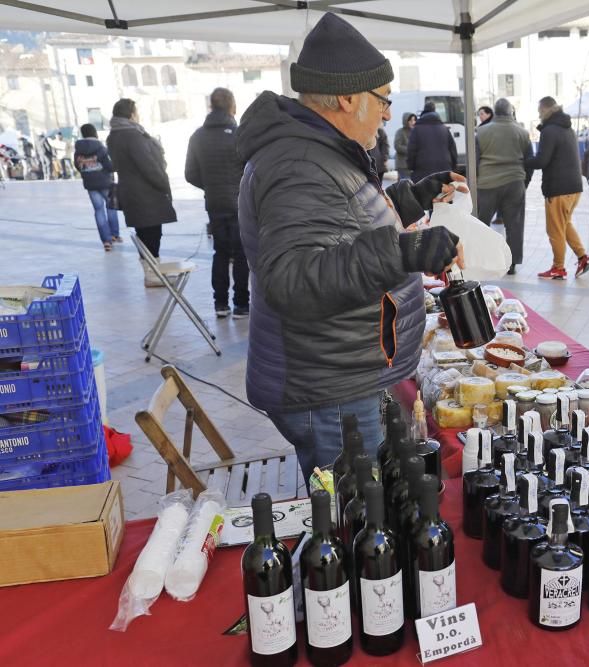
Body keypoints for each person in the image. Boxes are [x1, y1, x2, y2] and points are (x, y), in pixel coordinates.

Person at [236, 13, 465, 481]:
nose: (386, 112)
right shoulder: (299, 163)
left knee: (371, 509)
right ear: (346, 98)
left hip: (341, 375)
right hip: (329, 389)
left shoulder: (319, 151)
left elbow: (346, 223)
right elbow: (294, 277)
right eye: (382, 100)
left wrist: (414, 196)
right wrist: (406, 251)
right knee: (356, 523)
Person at [185, 87, 249, 319]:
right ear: (232, 106)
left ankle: (220, 304)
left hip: (214, 203)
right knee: (242, 253)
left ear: (211, 106)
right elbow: (252, 170)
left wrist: (211, 187)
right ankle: (242, 304)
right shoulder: (241, 134)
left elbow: (190, 173)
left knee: (220, 253)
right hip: (240, 203)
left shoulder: (197, 136)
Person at [107, 97, 178, 288]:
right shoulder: (132, 135)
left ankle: (151, 273)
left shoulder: (114, 135)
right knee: (152, 233)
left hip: (131, 192)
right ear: (131, 114)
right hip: (145, 193)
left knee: (144, 233)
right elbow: (148, 166)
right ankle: (153, 275)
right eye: (136, 111)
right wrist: (163, 183)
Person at [525, 96, 589, 280]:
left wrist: (523, 161)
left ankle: (559, 268)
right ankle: (583, 257)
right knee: (564, 224)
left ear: (545, 110)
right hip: (574, 187)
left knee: (555, 230)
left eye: (539, 111)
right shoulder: (567, 128)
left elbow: (541, 160)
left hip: (558, 188)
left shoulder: (550, 130)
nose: (539, 115)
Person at [475, 97, 533, 275]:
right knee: (514, 225)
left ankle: (482, 260)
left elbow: (475, 161)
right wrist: (524, 183)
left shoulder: (481, 132)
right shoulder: (522, 133)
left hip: (487, 184)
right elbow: (529, 162)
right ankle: (512, 263)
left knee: (481, 224)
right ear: (511, 112)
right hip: (515, 182)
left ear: (495, 111)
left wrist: (478, 181)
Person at [73, 123, 121, 251]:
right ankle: (115, 235)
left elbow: (78, 166)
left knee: (98, 210)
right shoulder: (101, 147)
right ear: (94, 132)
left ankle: (106, 241)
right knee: (111, 207)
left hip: (90, 184)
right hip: (106, 182)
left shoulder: (78, 150)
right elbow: (109, 166)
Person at [407, 101, 458, 182]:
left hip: (422, 172)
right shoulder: (444, 128)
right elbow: (453, 150)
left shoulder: (416, 129)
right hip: (444, 171)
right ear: (435, 111)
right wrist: (453, 167)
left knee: (424, 194)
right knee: (443, 194)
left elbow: (411, 151)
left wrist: (411, 167)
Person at [394, 112, 416, 180]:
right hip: (402, 165)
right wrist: (410, 150)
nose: (413, 122)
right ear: (406, 121)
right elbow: (397, 146)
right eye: (411, 120)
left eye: (414, 120)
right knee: (405, 186)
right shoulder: (400, 132)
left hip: (411, 165)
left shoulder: (415, 132)